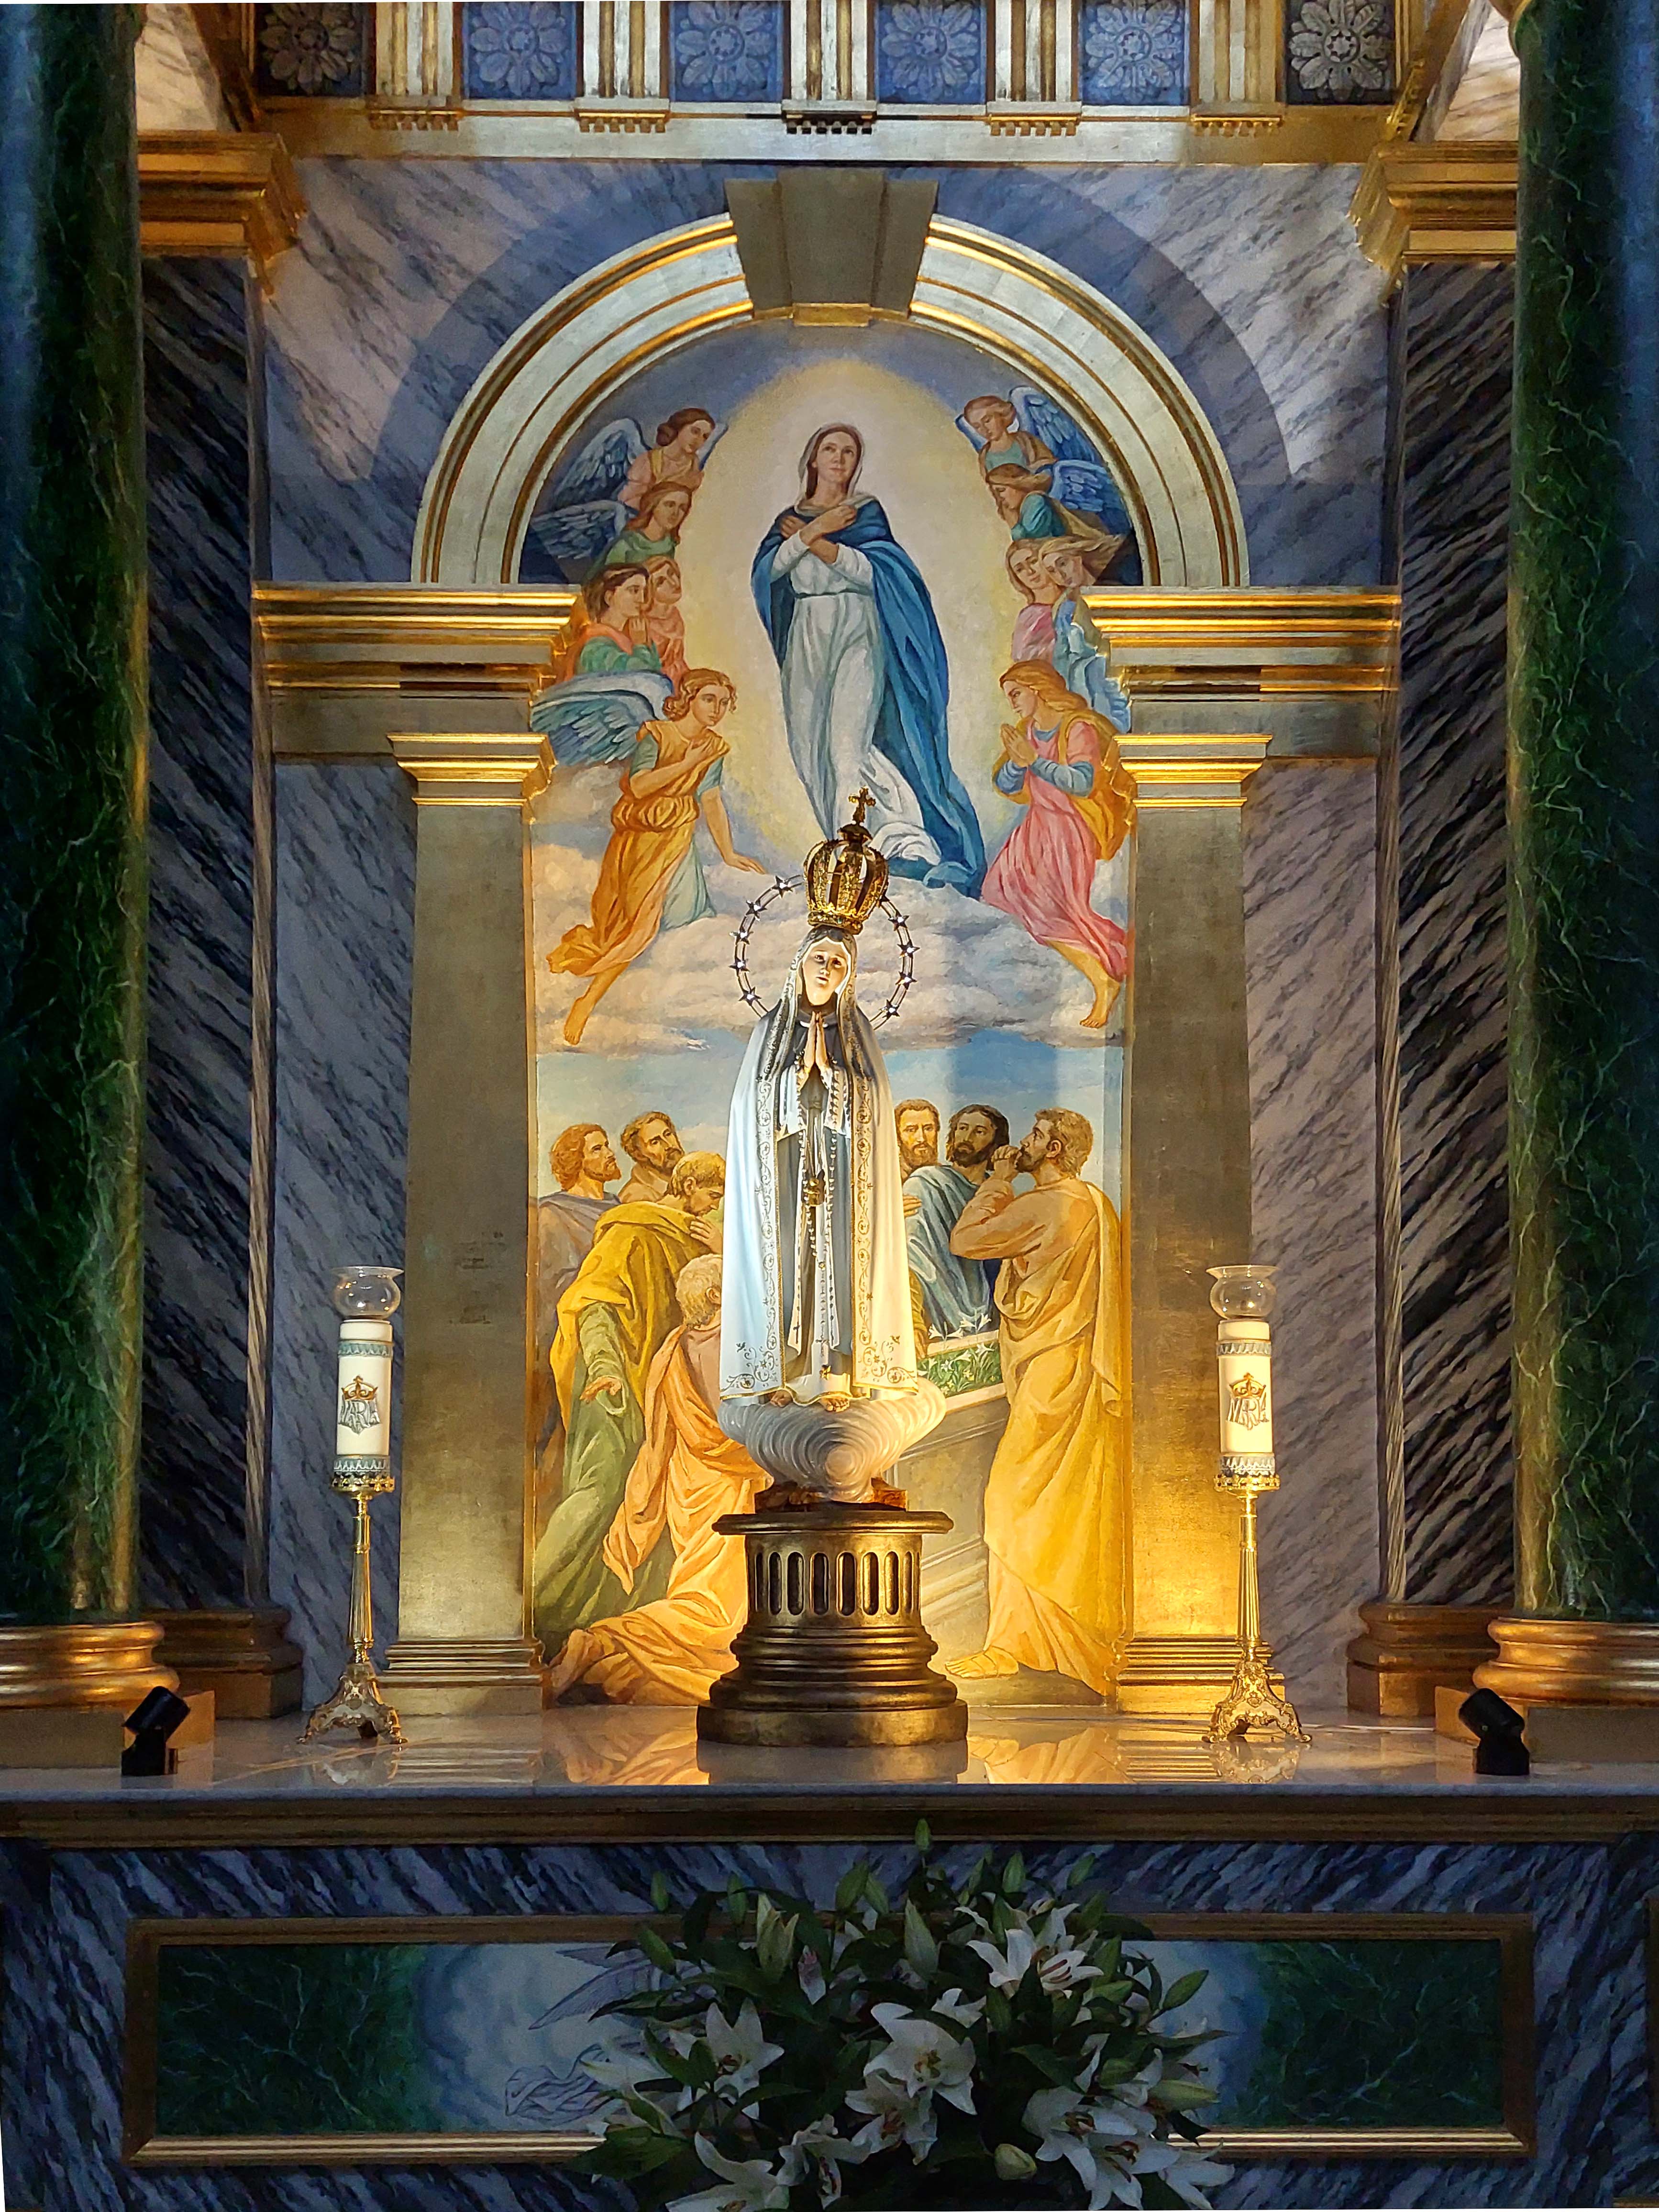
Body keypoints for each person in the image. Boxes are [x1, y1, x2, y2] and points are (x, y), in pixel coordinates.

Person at [721, 818, 917, 1406]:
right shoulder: (770, 1032)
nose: (827, 970)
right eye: (820, 959)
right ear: (800, 965)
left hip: (843, 1182)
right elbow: (749, 1108)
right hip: (784, 1180)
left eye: (838, 963)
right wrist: (793, 1079)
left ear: (849, 975)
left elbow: (873, 1107)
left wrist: (834, 1079)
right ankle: (781, 1372)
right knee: (789, 1263)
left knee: (836, 1265)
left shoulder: (858, 1035)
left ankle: (837, 1373)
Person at [752, 423, 984, 893]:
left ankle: (893, 843)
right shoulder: (789, 519)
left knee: (848, 746)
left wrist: (814, 540)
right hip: (807, 632)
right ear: (813, 458)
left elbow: (876, 572)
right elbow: (770, 572)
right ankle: (846, 842)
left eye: (849, 452)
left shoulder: (864, 513)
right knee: (811, 750)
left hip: (857, 625)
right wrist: (813, 530)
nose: (839, 458)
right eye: (830, 449)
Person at [947, 1109, 1127, 1695]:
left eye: (1032, 1136)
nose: (1021, 1144)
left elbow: (965, 1240)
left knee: (1010, 1497)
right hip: (1070, 1367)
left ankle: (1015, 1643)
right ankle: (1032, 1638)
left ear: (1052, 1149)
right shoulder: (1093, 1202)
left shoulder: (1047, 1204)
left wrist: (998, 1181)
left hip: (1052, 1372)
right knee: (1060, 1502)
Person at [545, 1254, 769, 1704]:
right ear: (716, 1295)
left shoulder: (673, 1347)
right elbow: (742, 1430)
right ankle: (600, 1641)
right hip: (729, 1488)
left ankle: (612, 1659)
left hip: (687, 1487)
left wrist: (640, 1508)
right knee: (714, 1613)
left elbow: (659, 1441)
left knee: (712, 1608)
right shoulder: (732, 1344)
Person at [535, 1150, 726, 1649]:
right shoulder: (632, 1229)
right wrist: (604, 1366)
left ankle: (601, 1617)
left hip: (659, 1386)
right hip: (609, 1385)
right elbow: (592, 1303)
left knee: (649, 1498)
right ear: (689, 1187)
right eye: (712, 1193)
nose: (715, 1204)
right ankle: (530, 1606)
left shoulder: (696, 1240)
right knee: (599, 1492)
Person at [548, 671, 766, 1047]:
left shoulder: (713, 748)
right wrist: (686, 763)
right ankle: (593, 1002)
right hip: (639, 838)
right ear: (689, 699)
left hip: (677, 841)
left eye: (723, 703)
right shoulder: (658, 735)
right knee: (626, 926)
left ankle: (606, 1003)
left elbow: (711, 800)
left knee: (658, 927)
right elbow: (639, 786)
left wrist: (728, 853)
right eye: (709, 699)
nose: (717, 710)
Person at [983, 661, 1136, 1030]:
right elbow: (1005, 783)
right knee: (999, 891)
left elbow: (1083, 783)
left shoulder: (1077, 728)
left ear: (1038, 689)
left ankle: (1104, 980)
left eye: (1017, 694)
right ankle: (1106, 969)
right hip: (1036, 829)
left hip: (1068, 831)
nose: (1013, 703)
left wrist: (1034, 761)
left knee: (1060, 912)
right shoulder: (1029, 730)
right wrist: (1018, 763)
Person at [904, 1103, 1009, 1340]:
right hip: (933, 1303)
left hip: (989, 1308)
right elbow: (914, 1255)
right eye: (962, 1129)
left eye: (979, 1131)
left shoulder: (997, 1192)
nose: (967, 1137)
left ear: (996, 1144)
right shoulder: (925, 1183)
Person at [1041, 540, 1131, 730]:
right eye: (1052, 571)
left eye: (1063, 563)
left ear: (1078, 558)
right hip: (1080, 687)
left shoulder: (1109, 592)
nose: (1061, 575)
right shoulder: (1062, 609)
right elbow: (1061, 656)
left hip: (1111, 680)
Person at [620, 406, 716, 516]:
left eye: (705, 437)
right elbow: (629, 500)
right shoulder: (649, 461)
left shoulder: (694, 467)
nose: (698, 440)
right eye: (695, 432)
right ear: (680, 427)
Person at [601, 480, 693, 573]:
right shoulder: (628, 542)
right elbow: (609, 577)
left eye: (682, 508)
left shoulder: (669, 545)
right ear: (653, 505)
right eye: (670, 505)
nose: (675, 513)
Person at [1006, 538, 1063, 663]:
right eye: (1020, 569)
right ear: (1017, 578)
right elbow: (1023, 661)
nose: (1030, 571)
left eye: (1033, 562)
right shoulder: (1029, 618)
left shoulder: (1073, 599)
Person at [618, 1112, 683, 1206]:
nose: (669, 1145)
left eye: (668, 1134)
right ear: (639, 1155)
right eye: (655, 1142)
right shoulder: (636, 1197)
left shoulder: (687, 1179)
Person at [643, 556, 687, 684]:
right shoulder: (643, 624)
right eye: (661, 582)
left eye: (671, 573)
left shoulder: (674, 615)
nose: (673, 583)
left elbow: (679, 663)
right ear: (649, 591)